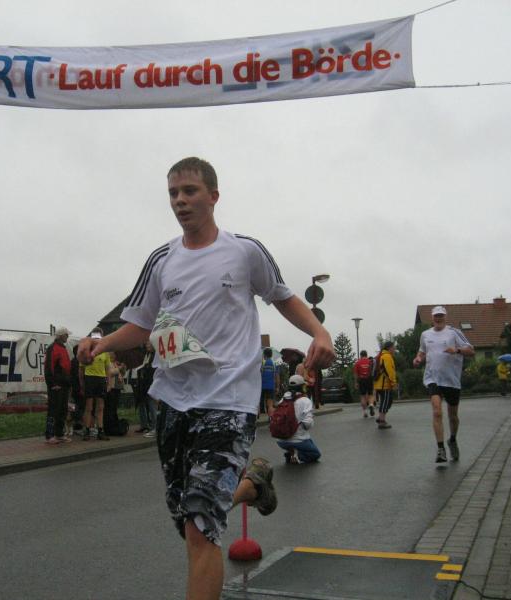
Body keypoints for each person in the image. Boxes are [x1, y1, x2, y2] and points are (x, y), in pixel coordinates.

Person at [77, 157, 335, 600]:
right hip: (174, 402)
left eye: (190, 191)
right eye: (173, 193)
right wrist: (102, 343)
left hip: (229, 401)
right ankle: (252, 485)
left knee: (200, 525)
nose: (180, 201)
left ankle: (242, 488)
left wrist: (320, 332)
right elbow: (140, 324)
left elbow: (283, 297)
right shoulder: (161, 260)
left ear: (214, 196)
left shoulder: (245, 251)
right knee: (188, 519)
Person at [413, 306, 475, 463]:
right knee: (437, 412)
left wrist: (457, 350)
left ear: (445, 317)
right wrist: (418, 358)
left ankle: (452, 439)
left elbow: (471, 351)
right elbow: (422, 351)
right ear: (432, 318)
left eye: (441, 315)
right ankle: (440, 449)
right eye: (436, 316)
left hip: (451, 380)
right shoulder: (425, 334)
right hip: (432, 378)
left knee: (453, 416)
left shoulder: (454, 332)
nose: (438, 318)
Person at [275, 374, 321, 464]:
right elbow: (308, 424)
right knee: (315, 454)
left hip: (280, 440)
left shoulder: (282, 400)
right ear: (302, 387)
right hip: (298, 440)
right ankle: (297, 456)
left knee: (306, 440)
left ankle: (291, 451)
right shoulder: (305, 401)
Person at [80, 327, 111, 441]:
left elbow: (108, 368)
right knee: (89, 407)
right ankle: (87, 430)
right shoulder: (86, 350)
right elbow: (81, 370)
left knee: (100, 406)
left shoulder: (105, 352)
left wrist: (108, 383)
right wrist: (82, 384)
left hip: (101, 379)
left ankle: (100, 431)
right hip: (90, 379)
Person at [43, 327, 72, 444]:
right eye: (66, 334)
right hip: (56, 385)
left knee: (63, 410)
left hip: (64, 385)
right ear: (60, 336)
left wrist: (69, 382)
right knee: (53, 410)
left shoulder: (63, 348)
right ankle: (49, 435)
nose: (67, 336)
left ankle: (59, 434)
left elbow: (66, 367)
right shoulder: (52, 348)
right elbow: (48, 367)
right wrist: (52, 384)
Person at [135, 341, 158, 437]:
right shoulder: (147, 355)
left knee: (152, 405)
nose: (147, 345)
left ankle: (155, 427)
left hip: (151, 383)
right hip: (144, 384)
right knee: (144, 403)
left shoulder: (155, 356)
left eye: (149, 344)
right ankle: (145, 425)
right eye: (146, 344)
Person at [373, 341, 397, 429]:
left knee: (387, 401)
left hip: (379, 384)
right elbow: (389, 371)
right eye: (393, 347)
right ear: (389, 348)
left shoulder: (381, 355)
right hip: (384, 384)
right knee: (385, 402)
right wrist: (393, 383)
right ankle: (382, 421)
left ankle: (380, 418)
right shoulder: (387, 356)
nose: (394, 349)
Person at [353, 350, 375, 418]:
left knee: (363, 396)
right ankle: (371, 405)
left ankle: (365, 412)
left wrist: (356, 382)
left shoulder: (357, 363)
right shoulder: (370, 362)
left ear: (361, 355)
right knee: (371, 394)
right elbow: (373, 371)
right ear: (366, 355)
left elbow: (355, 374)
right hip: (369, 379)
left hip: (361, 380)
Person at [261, 347, 279, 416]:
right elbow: (277, 376)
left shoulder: (262, 363)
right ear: (271, 354)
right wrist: (277, 387)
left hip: (262, 386)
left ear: (264, 354)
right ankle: (270, 416)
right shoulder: (274, 363)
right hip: (271, 386)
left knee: (261, 401)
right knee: (270, 403)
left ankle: (263, 415)